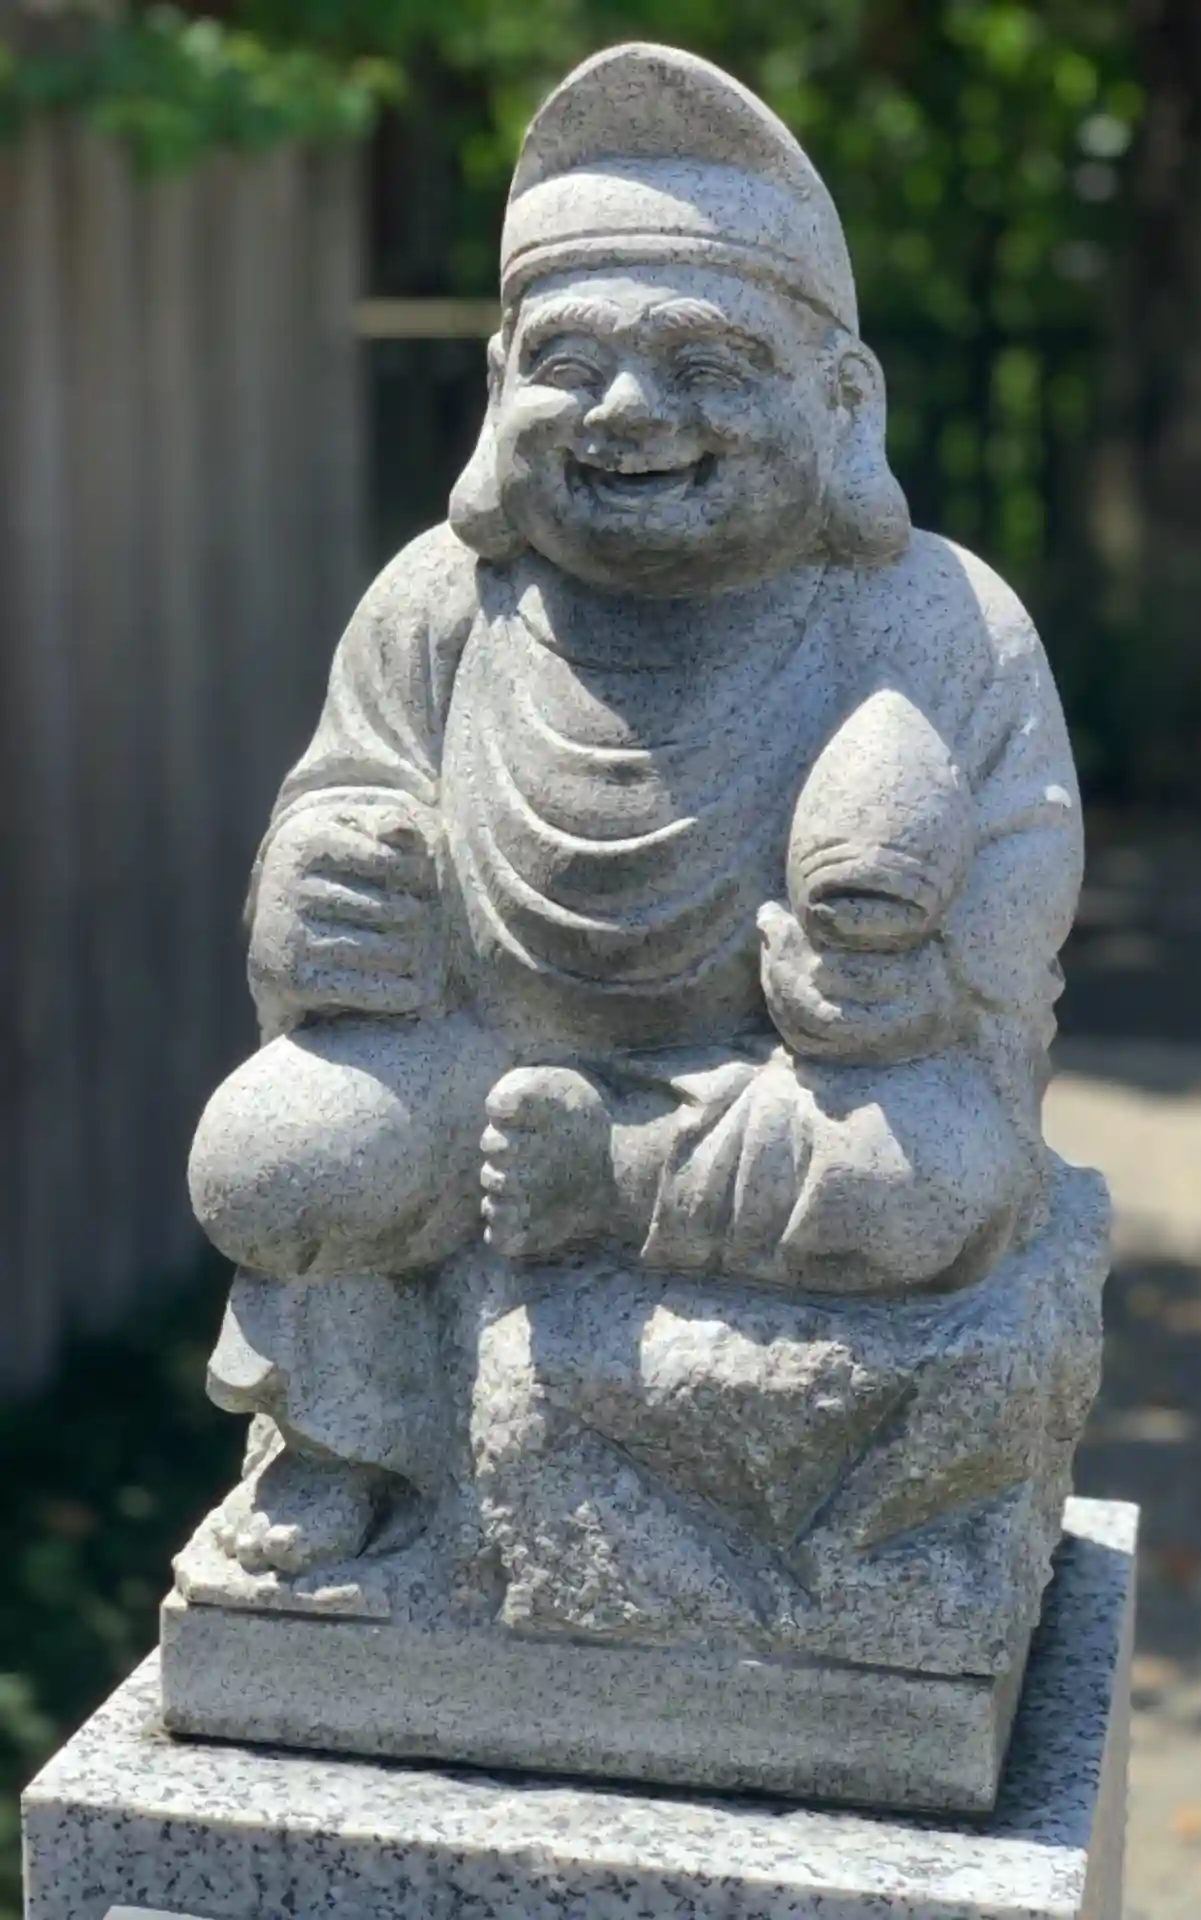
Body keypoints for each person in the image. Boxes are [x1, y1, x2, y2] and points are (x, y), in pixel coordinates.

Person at [186, 45, 1089, 1631]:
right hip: (482, 1062)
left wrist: (922, 976)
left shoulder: (932, 619)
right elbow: (344, 788)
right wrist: (315, 897)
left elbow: (1027, 844)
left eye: (705, 364)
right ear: (498, 389)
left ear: (842, 403)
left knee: (935, 1179)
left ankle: (613, 1184)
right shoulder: (440, 608)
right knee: (275, 1160)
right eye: (570, 361)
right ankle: (358, 1436)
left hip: (786, 1090)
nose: (626, 410)